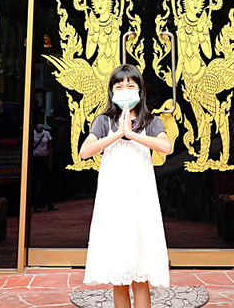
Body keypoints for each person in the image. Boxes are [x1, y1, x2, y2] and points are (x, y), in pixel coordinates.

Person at [79, 64, 172, 308]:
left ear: (140, 90)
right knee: (119, 277)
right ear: (111, 91)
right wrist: (118, 133)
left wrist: (132, 133)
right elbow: (84, 152)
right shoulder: (103, 121)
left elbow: (166, 146)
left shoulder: (150, 121)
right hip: (113, 201)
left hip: (141, 201)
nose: (124, 90)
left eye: (130, 85)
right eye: (118, 86)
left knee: (140, 277)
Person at [31, 115, 57, 212]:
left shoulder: (46, 134)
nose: (40, 124)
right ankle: (36, 204)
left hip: (44, 159)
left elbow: (50, 148)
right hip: (35, 159)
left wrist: (50, 162)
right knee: (35, 182)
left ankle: (49, 203)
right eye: (39, 122)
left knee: (46, 182)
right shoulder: (32, 134)